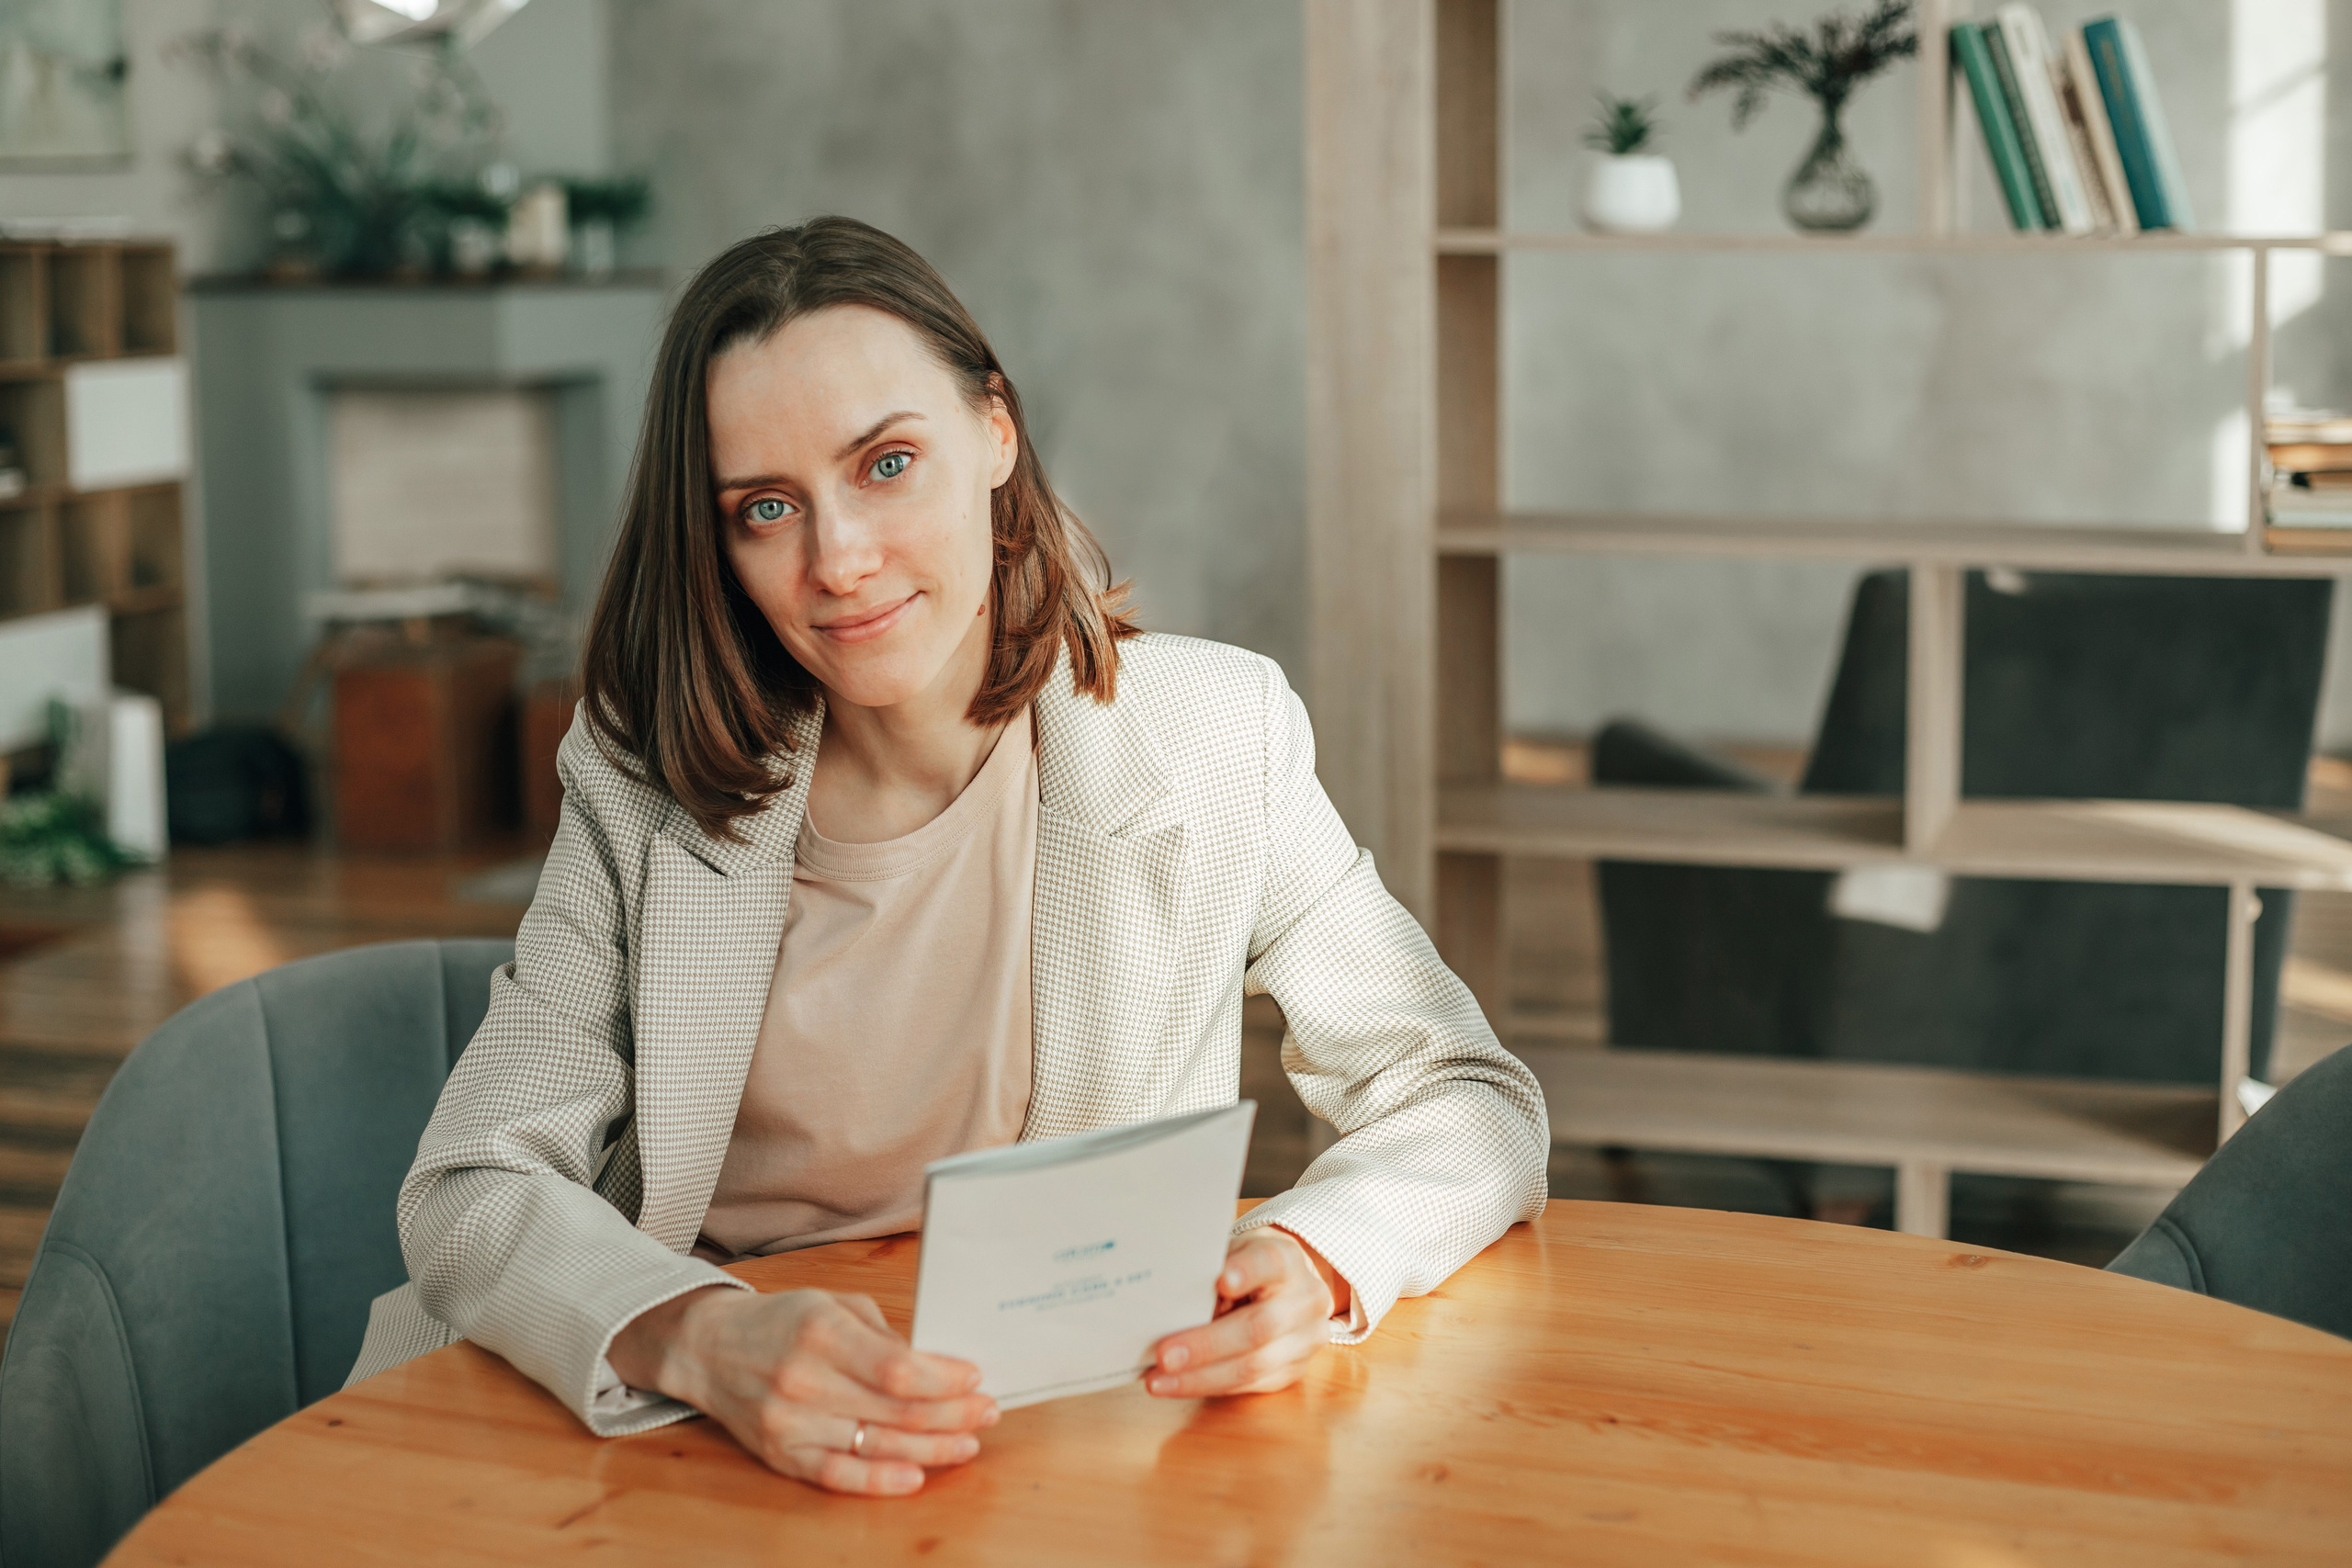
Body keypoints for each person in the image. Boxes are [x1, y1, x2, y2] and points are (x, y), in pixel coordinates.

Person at [347, 216, 1546, 1496]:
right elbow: (472, 1184)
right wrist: (696, 1333)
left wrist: (1320, 1257)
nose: (838, 563)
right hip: (689, 1427)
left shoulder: (1213, 734)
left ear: (995, 431)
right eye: (766, 509)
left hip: (1065, 1444)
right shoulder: (642, 775)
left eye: (887, 464)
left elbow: (1468, 1096)